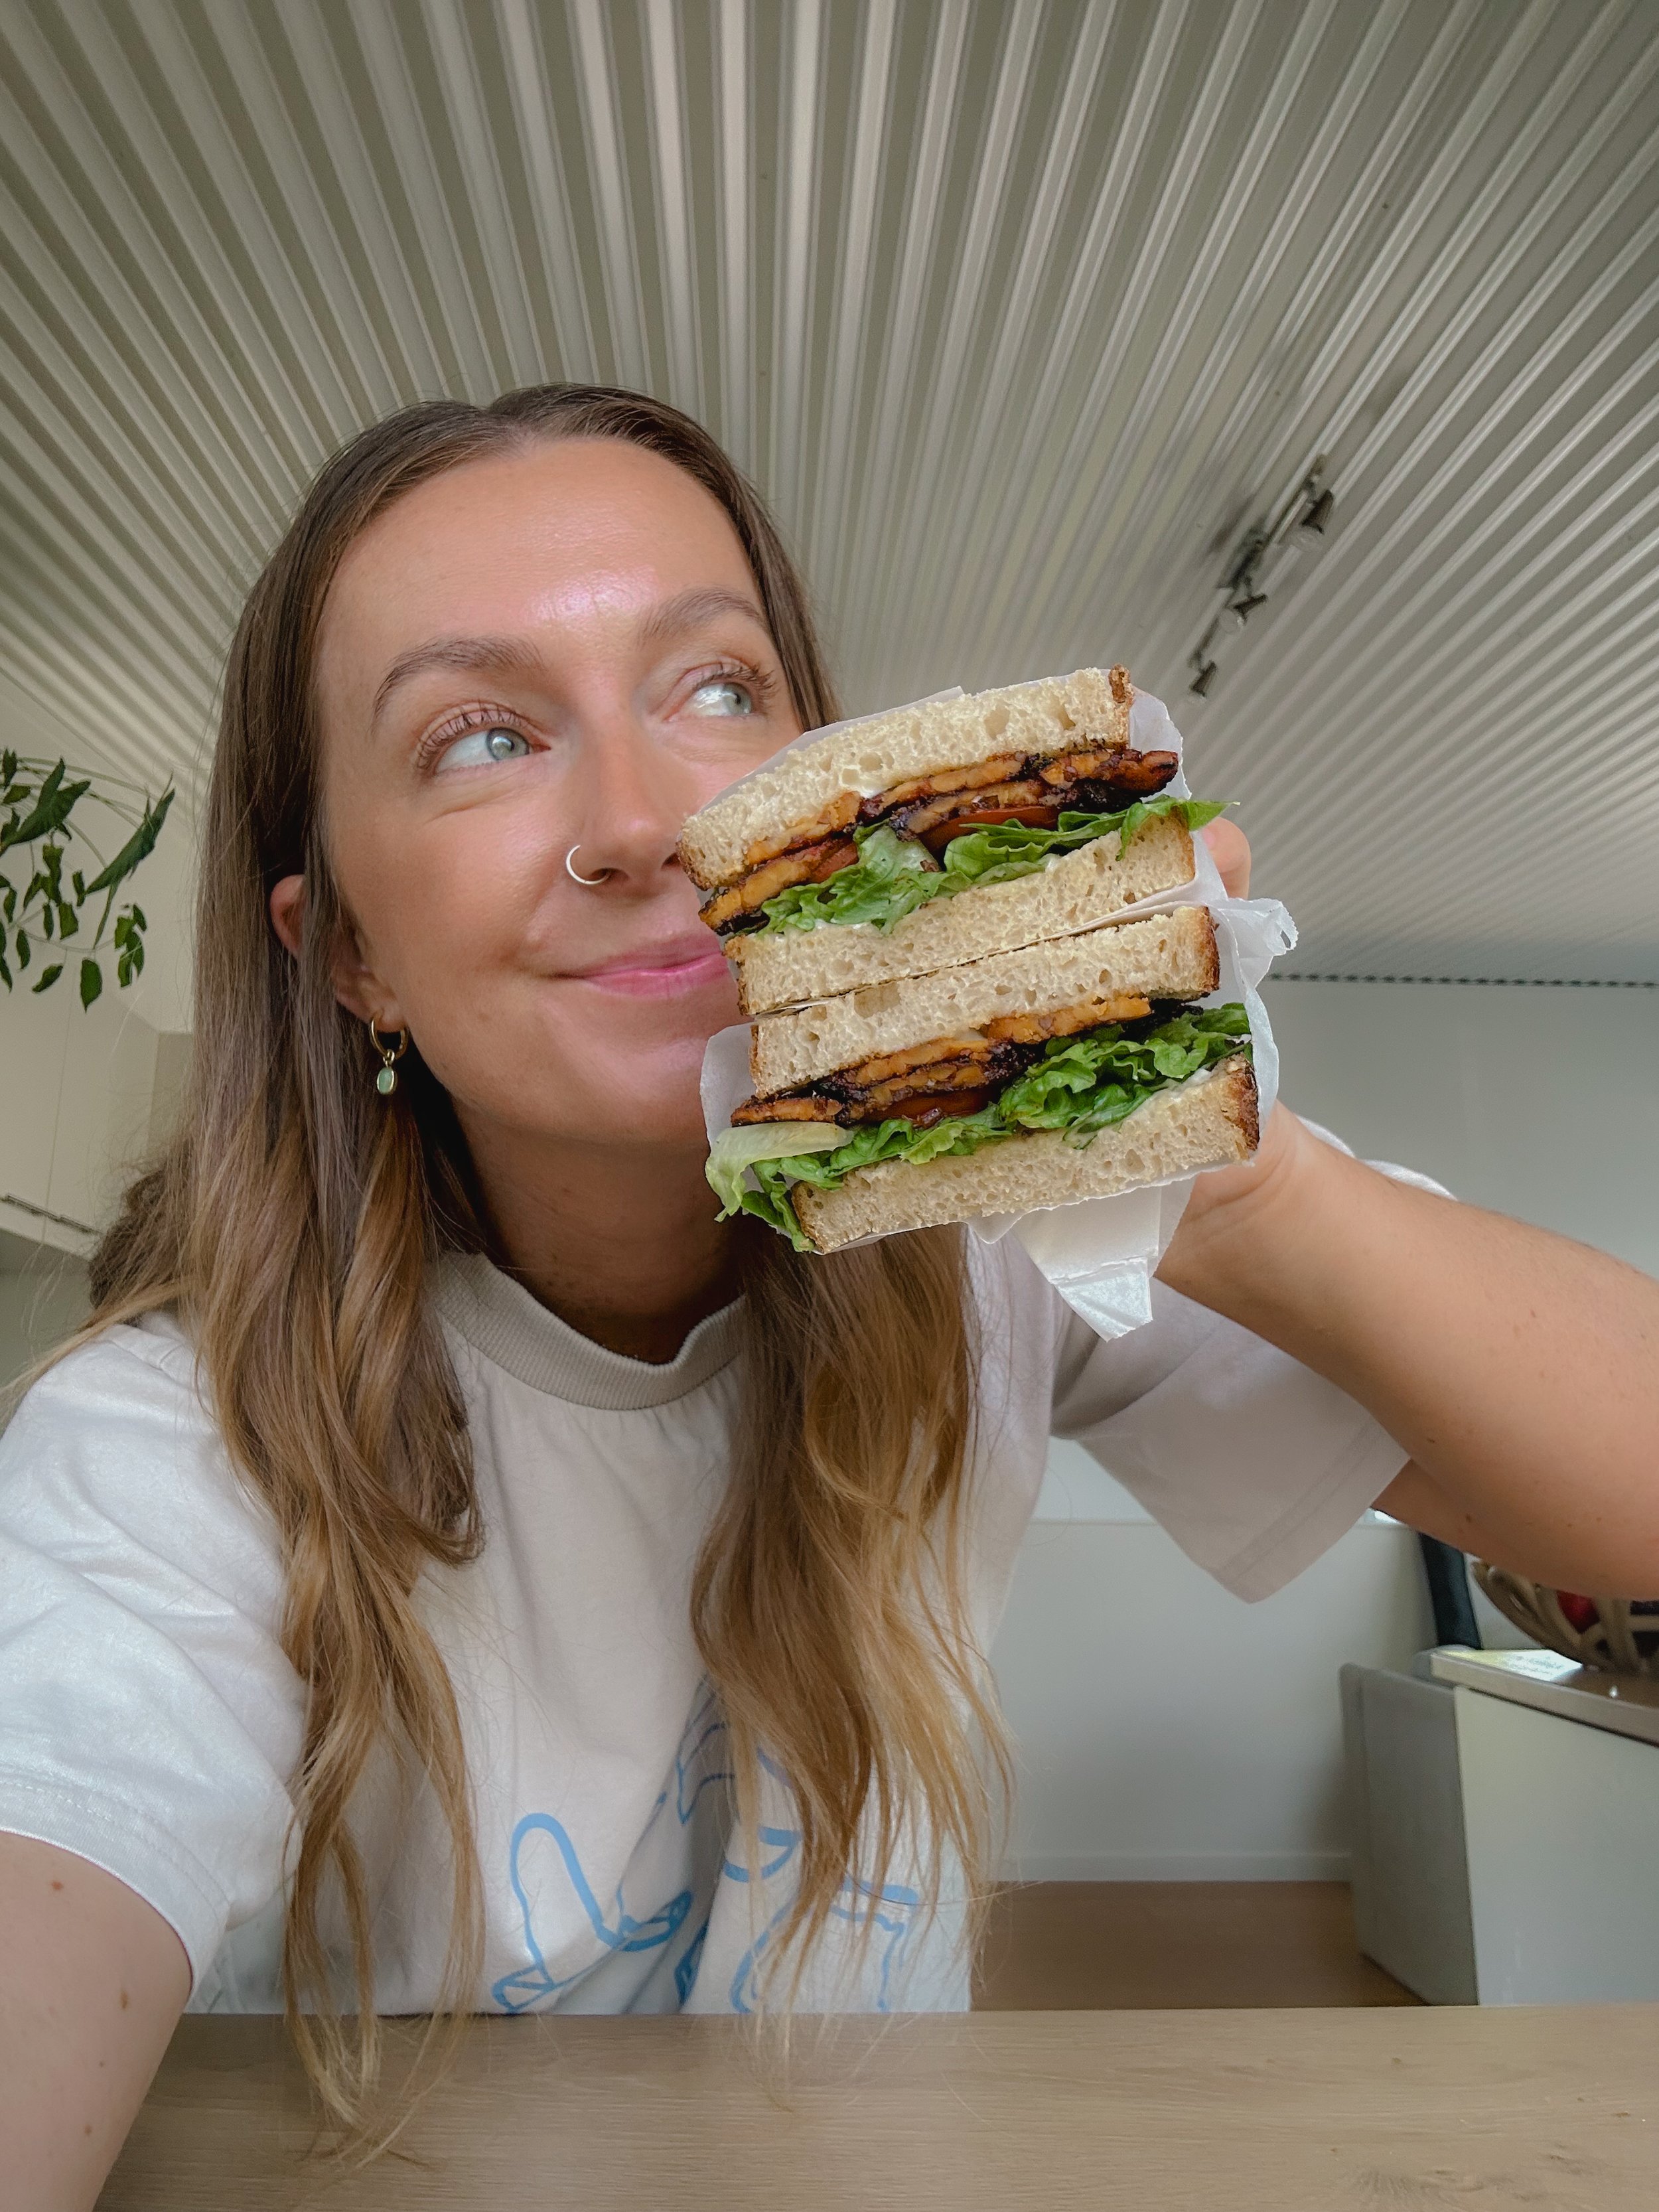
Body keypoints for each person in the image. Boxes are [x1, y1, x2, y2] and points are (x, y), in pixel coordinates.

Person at [1, 386, 1654, 2205]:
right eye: (480, 736)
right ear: (347, 956)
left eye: (717, 690)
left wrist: (1241, 1184)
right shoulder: (169, 1442)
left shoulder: (984, 1256)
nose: (647, 824)